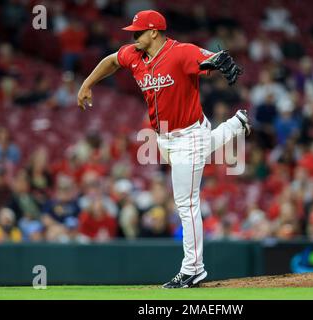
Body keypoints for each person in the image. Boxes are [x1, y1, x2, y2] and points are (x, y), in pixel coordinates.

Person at [77, 10, 250, 289]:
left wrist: (216, 61)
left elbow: (206, 57)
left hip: (188, 135)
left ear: (154, 32)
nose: (133, 37)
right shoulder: (134, 54)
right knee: (197, 163)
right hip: (164, 138)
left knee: (186, 204)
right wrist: (87, 83)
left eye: (138, 32)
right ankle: (236, 125)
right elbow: (111, 61)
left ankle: (193, 269)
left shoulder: (180, 52)